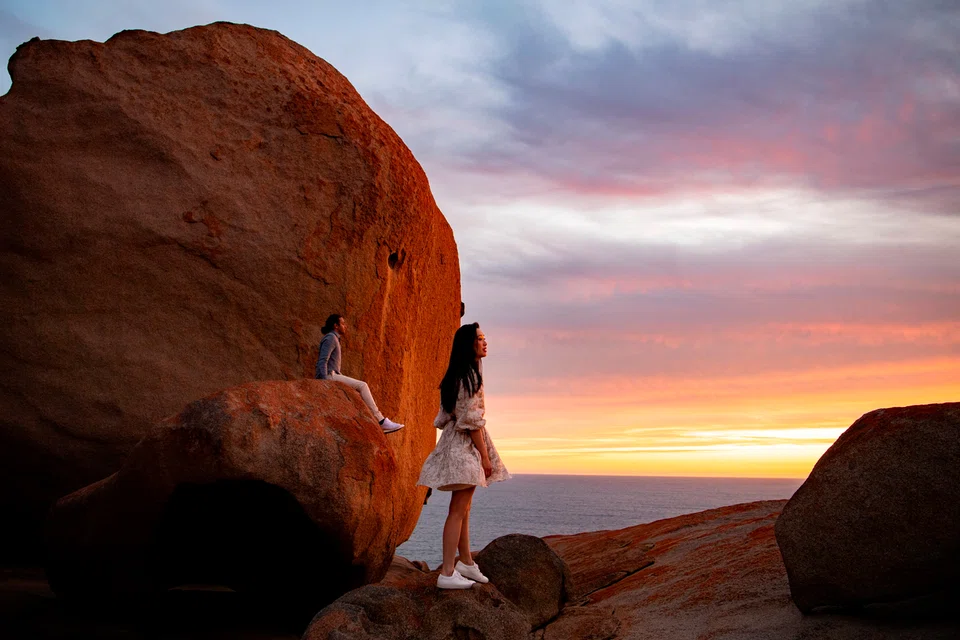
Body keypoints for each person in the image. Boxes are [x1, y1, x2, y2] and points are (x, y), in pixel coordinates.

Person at [417, 322, 510, 589]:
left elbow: (446, 415)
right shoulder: (469, 377)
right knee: (458, 510)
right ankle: (447, 573)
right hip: (465, 446)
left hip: (455, 442)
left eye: (484, 338)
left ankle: (465, 562)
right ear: (468, 344)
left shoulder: (459, 374)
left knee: (464, 508)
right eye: (479, 339)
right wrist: (484, 456)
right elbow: (470, 420)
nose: (485, 342)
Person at [315, 314, 404, 434]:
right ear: (335, 326)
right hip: (330, 376)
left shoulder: (334, 338)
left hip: (332, 375)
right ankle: (381, 421)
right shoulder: (331, 338)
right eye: (342, 323)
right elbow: (322, 360)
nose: (345, 326)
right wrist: (324, 383)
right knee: (363, 385)